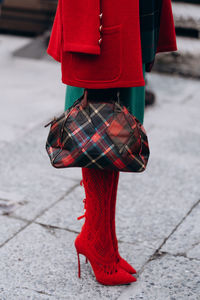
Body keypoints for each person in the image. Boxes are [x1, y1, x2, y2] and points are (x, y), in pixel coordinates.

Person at [46, 0, 177, 286]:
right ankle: (100, 243)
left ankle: (100, 237)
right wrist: (83, 33)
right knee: (97, 127)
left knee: (118, 131)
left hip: (134, 9)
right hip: (101, 14)